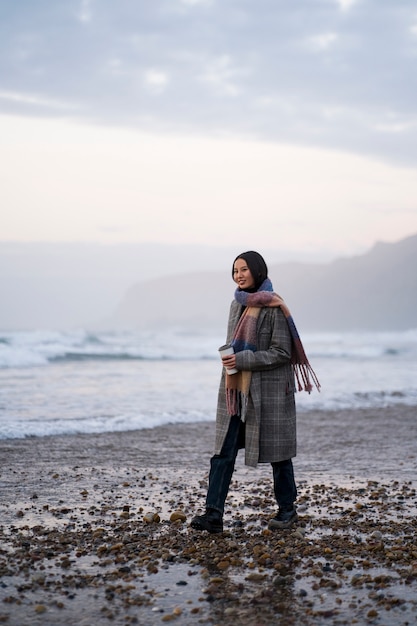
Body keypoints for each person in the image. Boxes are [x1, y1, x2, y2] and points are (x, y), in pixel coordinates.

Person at [191, 251, 319, 534]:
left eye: (244, 269)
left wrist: (242, 360)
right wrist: (229, 360)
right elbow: (234, 346)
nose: (239, 274)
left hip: (269, 392)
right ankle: (213, 515)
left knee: (278, 453)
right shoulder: (236, 304)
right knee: (223, 452)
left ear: (258, 271)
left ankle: (287, 510)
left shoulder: (275, 306)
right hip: (237, 390)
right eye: (235, 270)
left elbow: (282, 353)